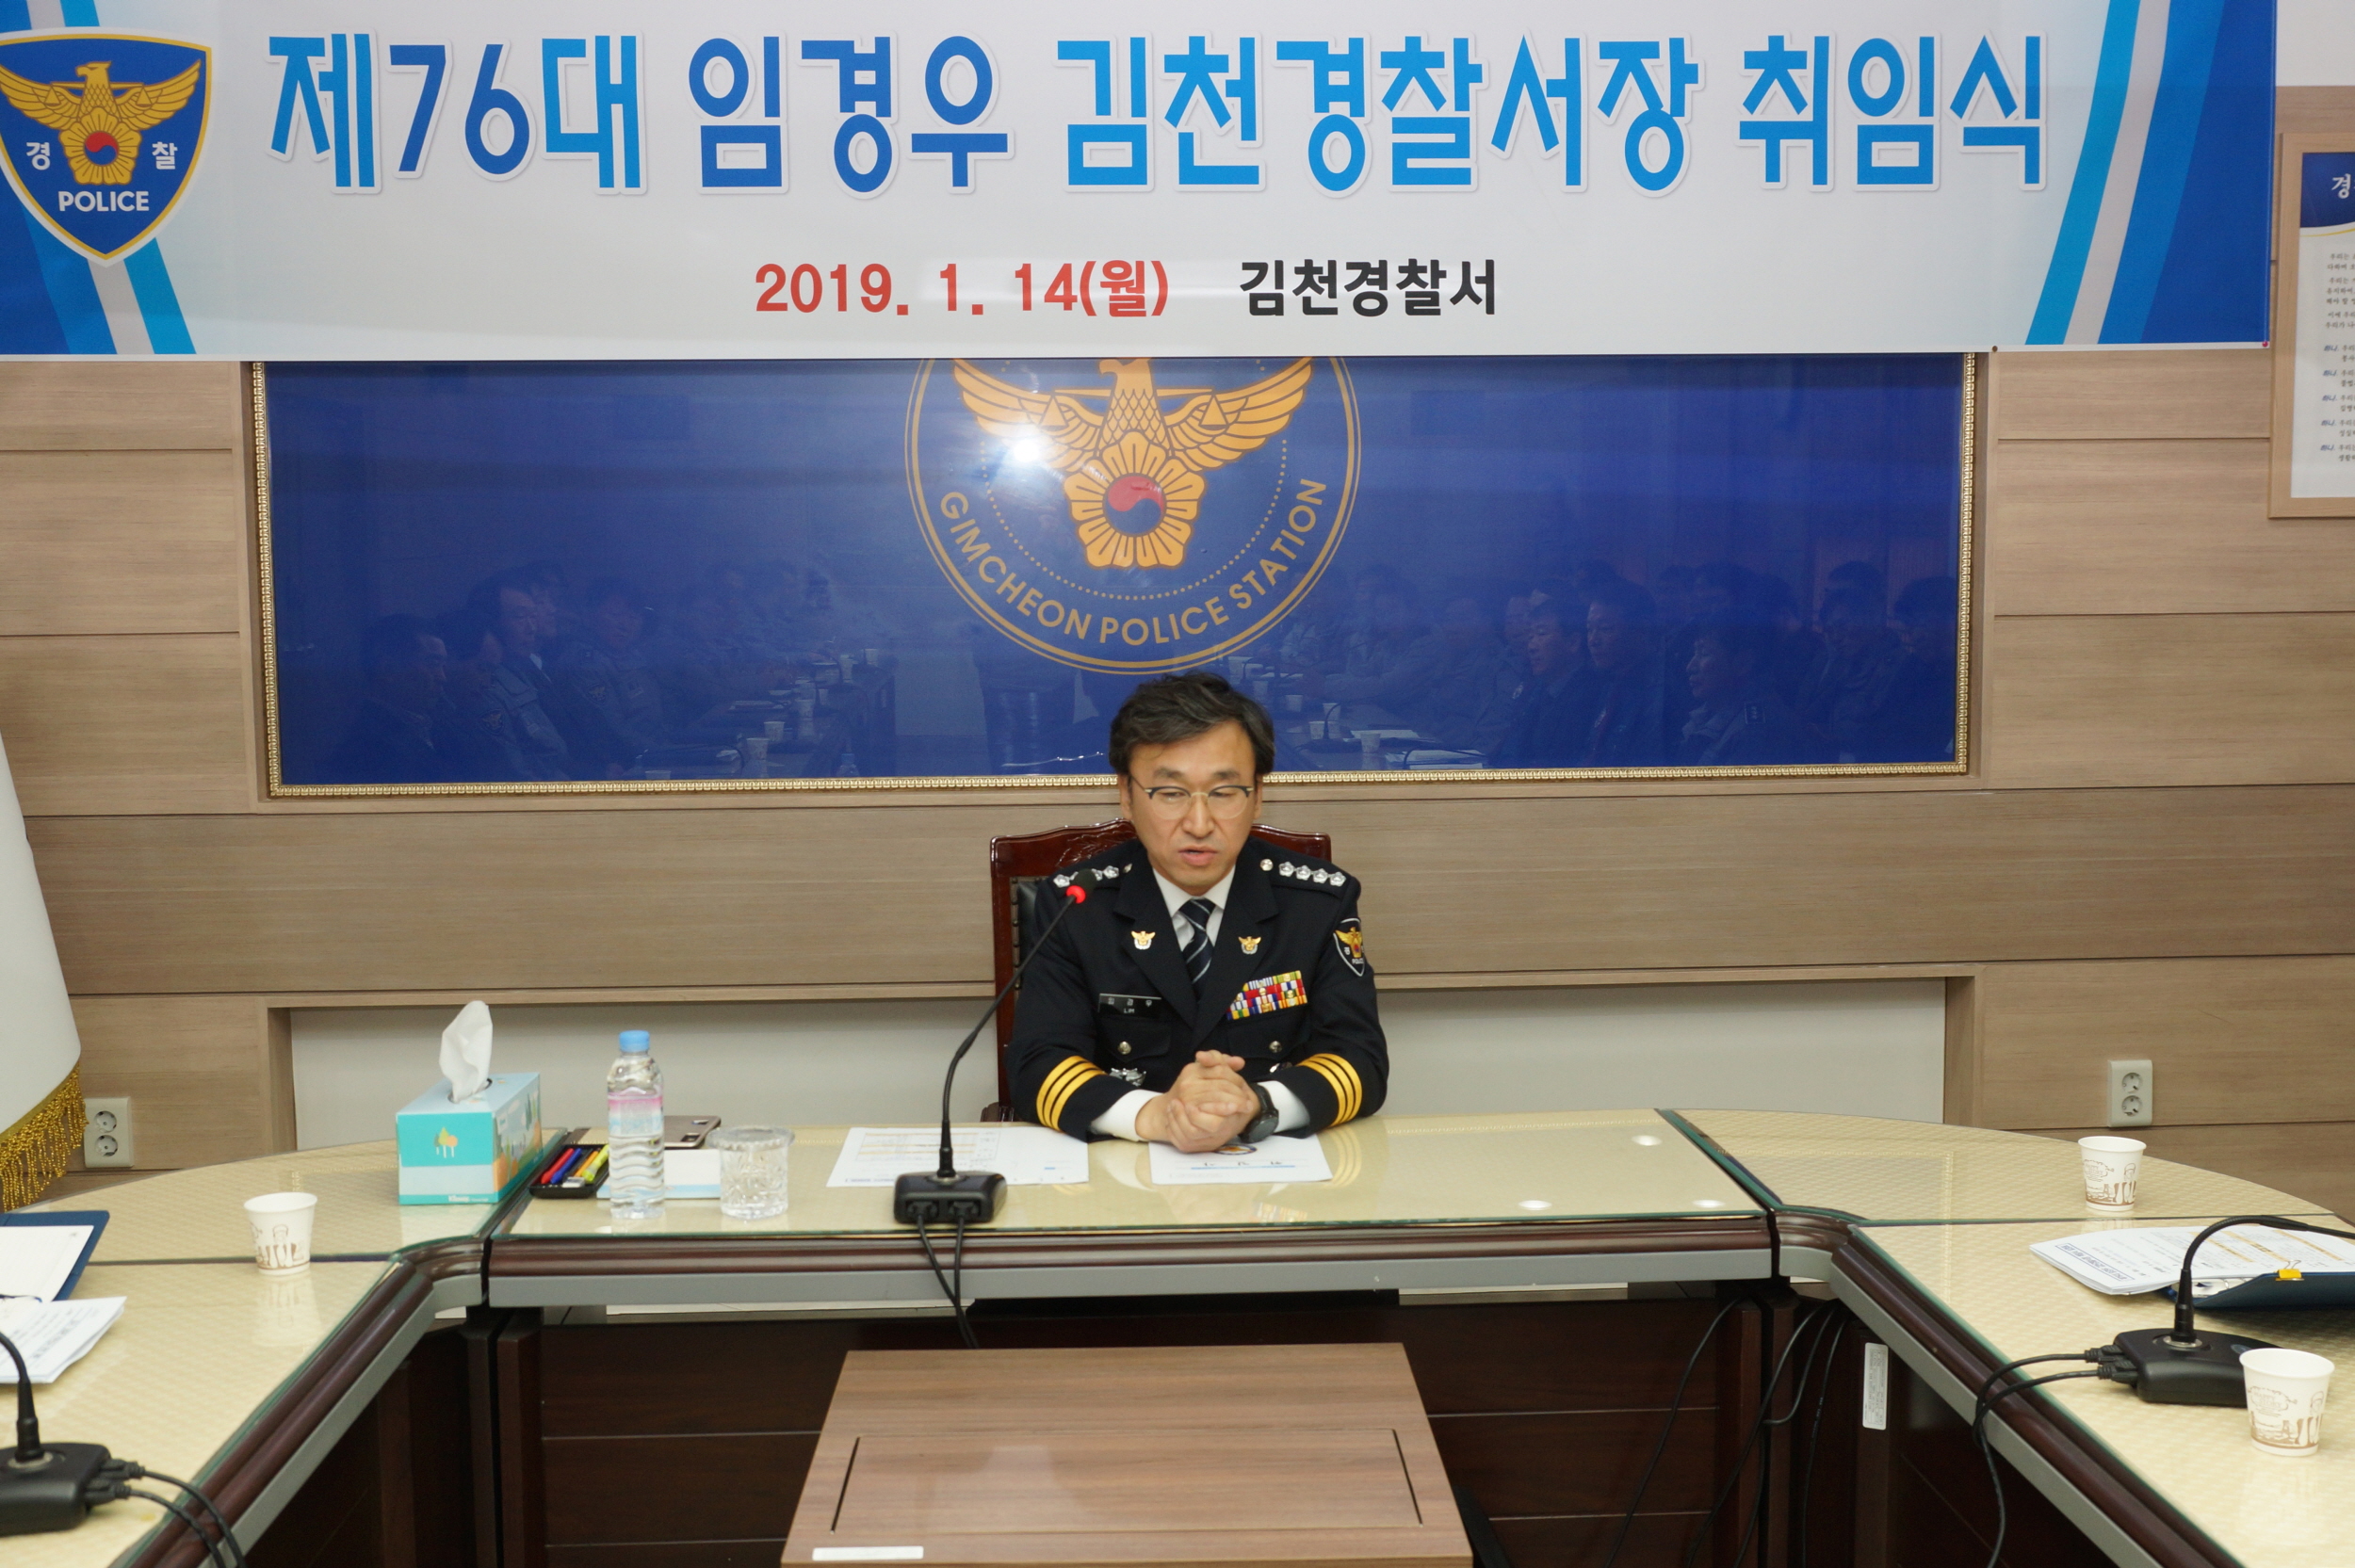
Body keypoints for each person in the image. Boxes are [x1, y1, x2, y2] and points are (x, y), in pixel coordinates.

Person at [1007, 671, 1388, 1151]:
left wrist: (1257, 1105)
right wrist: (1154, 1114)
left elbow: (1360, 1060)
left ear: (1258, 796)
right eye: (1170, 793)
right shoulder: (1076, 906)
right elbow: (1037, 1063)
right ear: (1126, 795)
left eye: (1224, 793)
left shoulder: (1318, 903)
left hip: (1274, 1169)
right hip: (1124, 1169)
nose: (1199, 823)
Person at [556, 578, 670, 773]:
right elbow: (611, 731)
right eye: (615, 615)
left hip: (655, 754)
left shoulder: (633, 654)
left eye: (633, 616)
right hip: (623, 766)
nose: (625, 625)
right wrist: (668, 755)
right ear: (590, 616)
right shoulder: (585, 663)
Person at [321, 616, 453, 784]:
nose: (442, 678)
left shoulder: (436, 726)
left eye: (443, 666)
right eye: (432, 664)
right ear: (388, 668)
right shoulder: (368, 746)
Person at [1677, 622, 1820, 766]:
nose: (1690, 667)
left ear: (1743, 663)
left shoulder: (1758, 733)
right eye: (1695, 653)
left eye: (1704, 654)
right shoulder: (1713, 713)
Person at [1492, 597, 1593, 767]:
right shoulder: (1535, 688)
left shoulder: (1591, 697)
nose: (1531, 646)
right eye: (1531, 636)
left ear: (1573, 642)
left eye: (1541, 634)